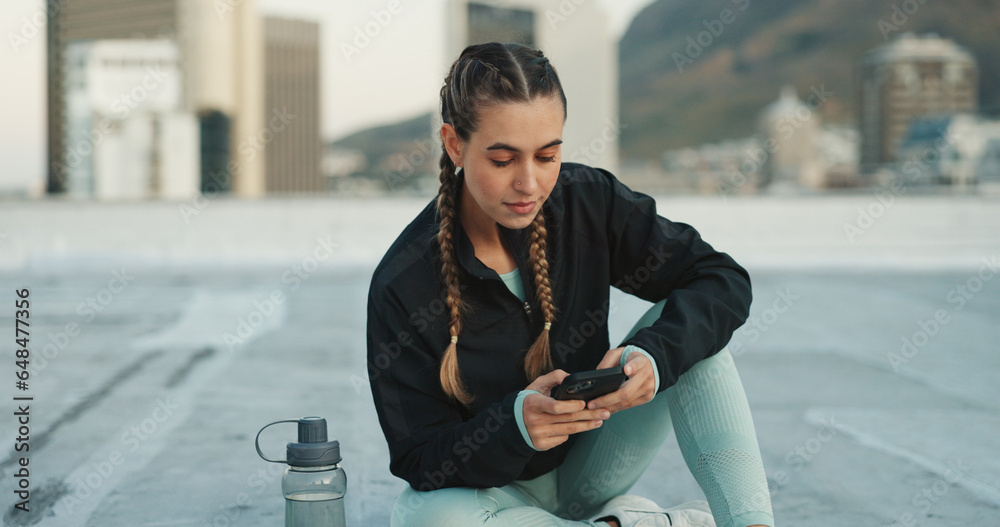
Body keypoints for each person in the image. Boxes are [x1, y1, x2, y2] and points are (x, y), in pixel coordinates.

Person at [366, 42, 774, 527]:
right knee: (422, 518)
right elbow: (418, 457)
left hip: (593, 464)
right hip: (489, 497)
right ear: (455, 144)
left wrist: (654, 357)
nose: (530, 184)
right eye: (502, 160)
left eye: (547, 155)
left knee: (699, 347)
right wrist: (516, 427)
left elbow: (719, 279)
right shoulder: (404, 281)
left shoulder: (588, 202)